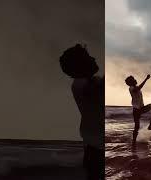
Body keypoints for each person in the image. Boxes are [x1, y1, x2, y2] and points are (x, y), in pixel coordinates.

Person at [59, 44, 103, 180]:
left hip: (94, 146)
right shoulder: (80, 84)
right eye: (89, 57)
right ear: (80, 65)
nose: (94, 58)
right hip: (96, 149)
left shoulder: (89, 82)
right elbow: (95, 91)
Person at [125, 75, 151, 145]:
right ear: (131, 82)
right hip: (136, 110)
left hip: (141, 108)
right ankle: (133, 143)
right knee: (137, 127)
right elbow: (139, 88)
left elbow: (138, 88)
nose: (135, 80)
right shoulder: (131, 88)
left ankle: (150, 125)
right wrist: (146, 79)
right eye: (133, 79)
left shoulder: (136, 88)